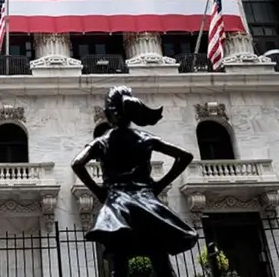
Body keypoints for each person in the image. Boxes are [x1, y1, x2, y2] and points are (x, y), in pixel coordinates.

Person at [71, 86, 198, 277]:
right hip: (147, 203)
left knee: (119, 266)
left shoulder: (103, 141)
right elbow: (185, 156)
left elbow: (77, 164)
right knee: (161, 263)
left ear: (107, 113)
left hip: (117, 206)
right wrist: (159, 185)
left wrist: (99, 192)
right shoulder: (145, 137)